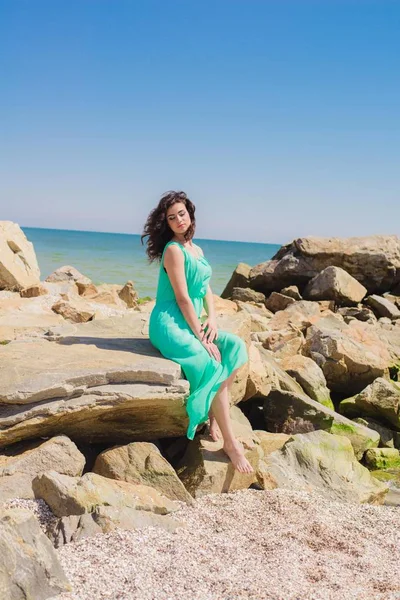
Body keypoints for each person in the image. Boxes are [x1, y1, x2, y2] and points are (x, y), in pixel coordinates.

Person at [142, 190, 253, 473]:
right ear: (166, 223)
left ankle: (216, 418)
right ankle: (230, 443)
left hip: (194, 319)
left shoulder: (196, 249)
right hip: (169, 322)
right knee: (209, 362)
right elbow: (181, 299)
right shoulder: (173, 250)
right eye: (171, 217)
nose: (178, 220)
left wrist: (212, 320)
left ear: (190, 214)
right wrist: (202, 338)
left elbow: (205, 290)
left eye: (181, 213)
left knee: (235, 347)